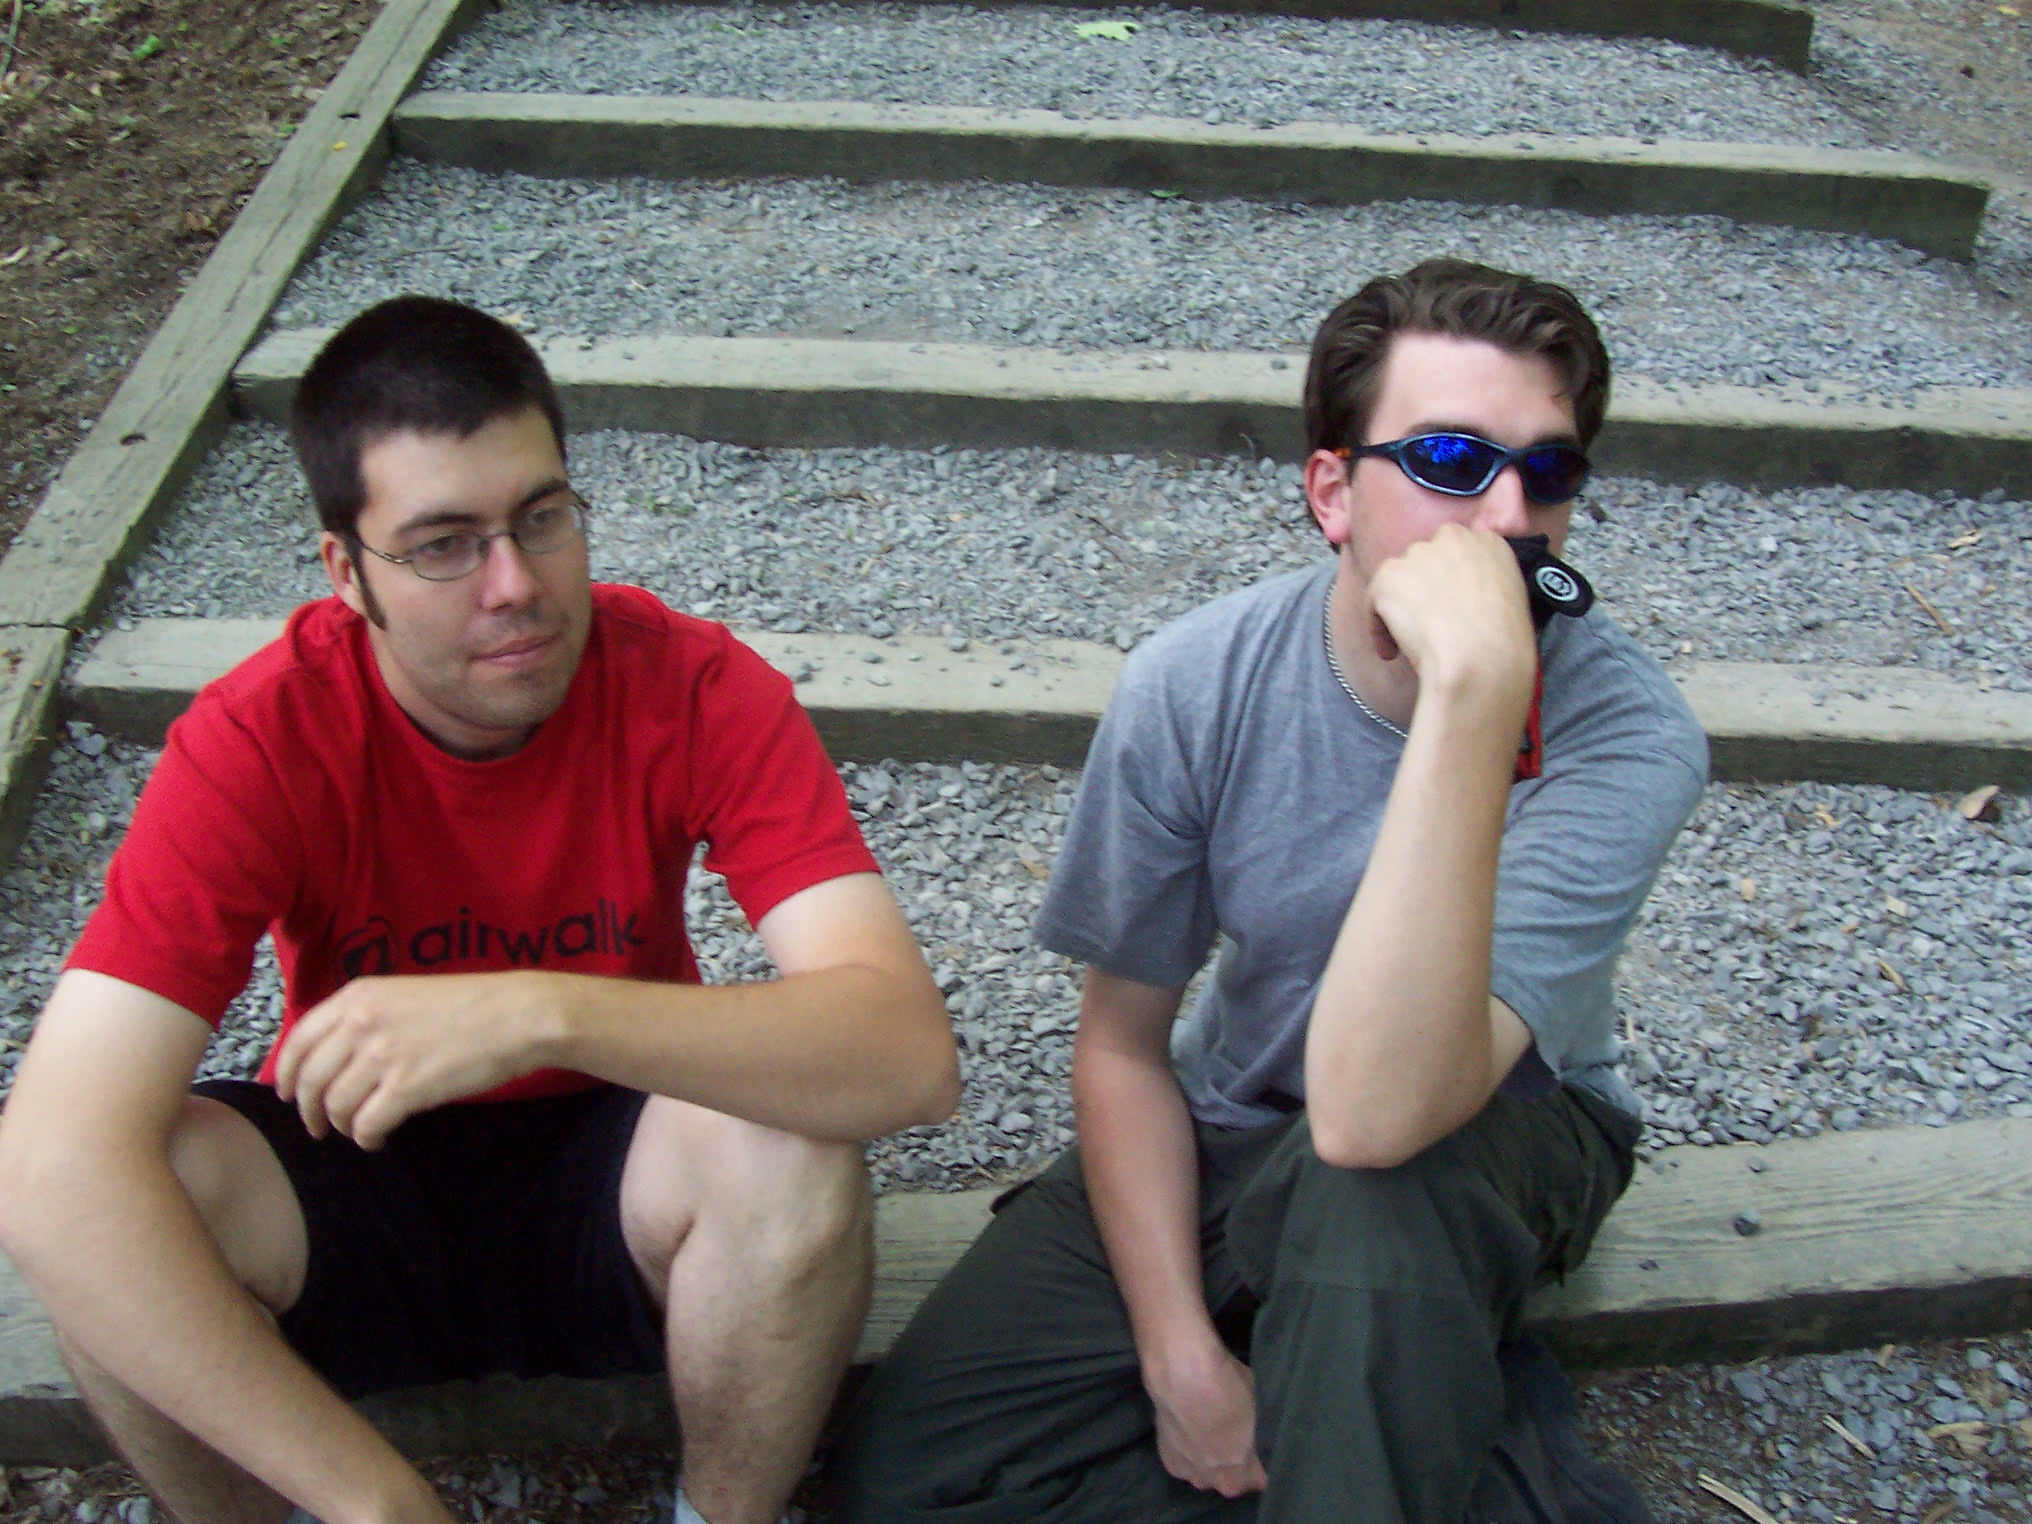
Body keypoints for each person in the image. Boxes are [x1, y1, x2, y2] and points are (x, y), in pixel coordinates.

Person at [0, 297, 961, 1524]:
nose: (515, 585)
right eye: (443, 546)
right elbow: (47, 1165)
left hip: (619, 1171)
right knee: (126, 1206)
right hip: (353, 1172)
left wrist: (532, 1013)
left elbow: (906, 1060)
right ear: (347, 572)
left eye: (541, 519)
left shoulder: (693, 685)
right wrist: (380, 1504)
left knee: (791, 1141)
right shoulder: (259, 737)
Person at [829, 259, 1708, 1523]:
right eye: (1451, 460)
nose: (1512, 514)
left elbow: (1380, 1113)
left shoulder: (1627, 736)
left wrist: (1473, 696)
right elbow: (1122, 1046)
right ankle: (1456, 1451)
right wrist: (1180, 1357)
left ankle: (1378, 1422)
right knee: (914, 1475)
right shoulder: (1194, 682)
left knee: (1373, 1194)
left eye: (1550, 470)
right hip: (1243, 1114)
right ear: (1331, 492)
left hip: (1498, 1122)